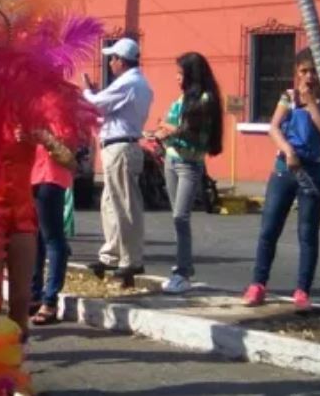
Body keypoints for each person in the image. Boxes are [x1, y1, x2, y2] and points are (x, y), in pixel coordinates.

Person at [243, 48, 320, 310]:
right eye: (304, 71)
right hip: (285, 168)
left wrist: (313, 105)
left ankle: (302, 290)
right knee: (269, 228)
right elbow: (273, 127)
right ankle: (258, 283)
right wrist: (288, 150)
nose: (309, 76)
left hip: (315, 172)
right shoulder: (288, 97)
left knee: (308, 233)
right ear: (297, 73)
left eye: (314, 71)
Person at [83, 37, 153, 286]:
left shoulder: (129, 82)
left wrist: (87, 92)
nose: (110, 63)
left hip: (121, 146)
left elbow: (96, 104)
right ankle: (112, 254)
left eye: (112, 58)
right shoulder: (133, 82)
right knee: (111, 204)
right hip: (117, 145)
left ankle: (130, 259)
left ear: (121, 61)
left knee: (124, 204)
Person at [152, 52, 224, 294]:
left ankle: (183, 272)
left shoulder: (205, 100)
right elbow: (172, 126)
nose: (176, 78)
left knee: (181, 217)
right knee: (176, 217)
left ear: (192, 75)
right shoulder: (182, 98)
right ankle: (181, 268)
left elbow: (188, 130)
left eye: (181, 74)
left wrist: (168, 129)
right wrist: (162, 131)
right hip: (171, 160)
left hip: (189, 165)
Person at [30, 129, 79, 324]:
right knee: (33, 236)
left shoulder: (64, 107)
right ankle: (34, 295)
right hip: (28, 173)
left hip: (51, 175)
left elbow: (69, 150)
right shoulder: (30, 106)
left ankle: (49, 300)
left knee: (52, 237)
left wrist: (42, 135)